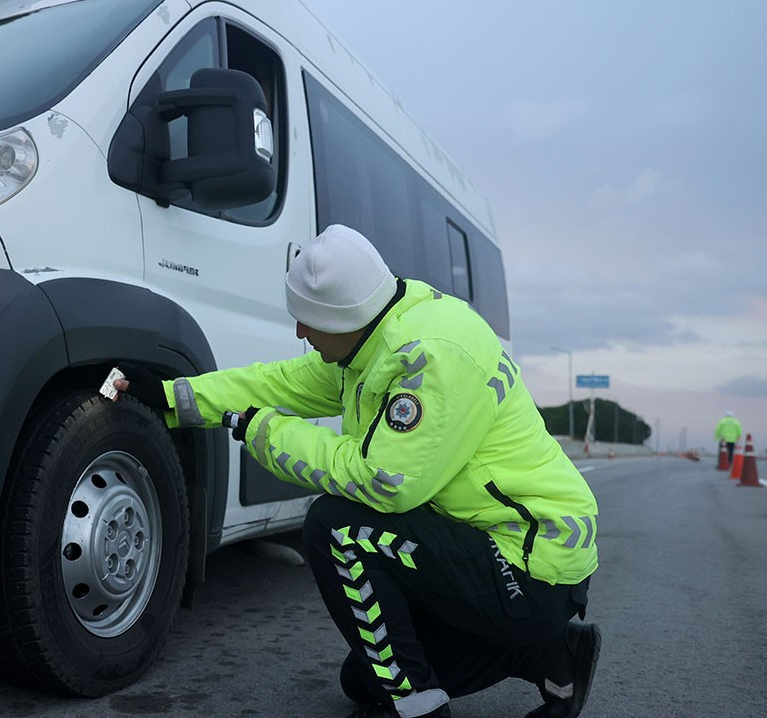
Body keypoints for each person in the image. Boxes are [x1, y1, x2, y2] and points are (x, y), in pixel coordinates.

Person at [114, 225, 601, 718]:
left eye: (306, 320)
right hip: (493, 546)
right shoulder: (378, 335)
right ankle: (552, 654)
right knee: (364, 679)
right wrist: (174, 397)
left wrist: (263, 431)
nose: (300, 333)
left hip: (529, 565)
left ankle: (417, 708)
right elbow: (280, 382)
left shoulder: (429, 358)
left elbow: (385, 482)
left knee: (337, 527)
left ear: (341, 317)